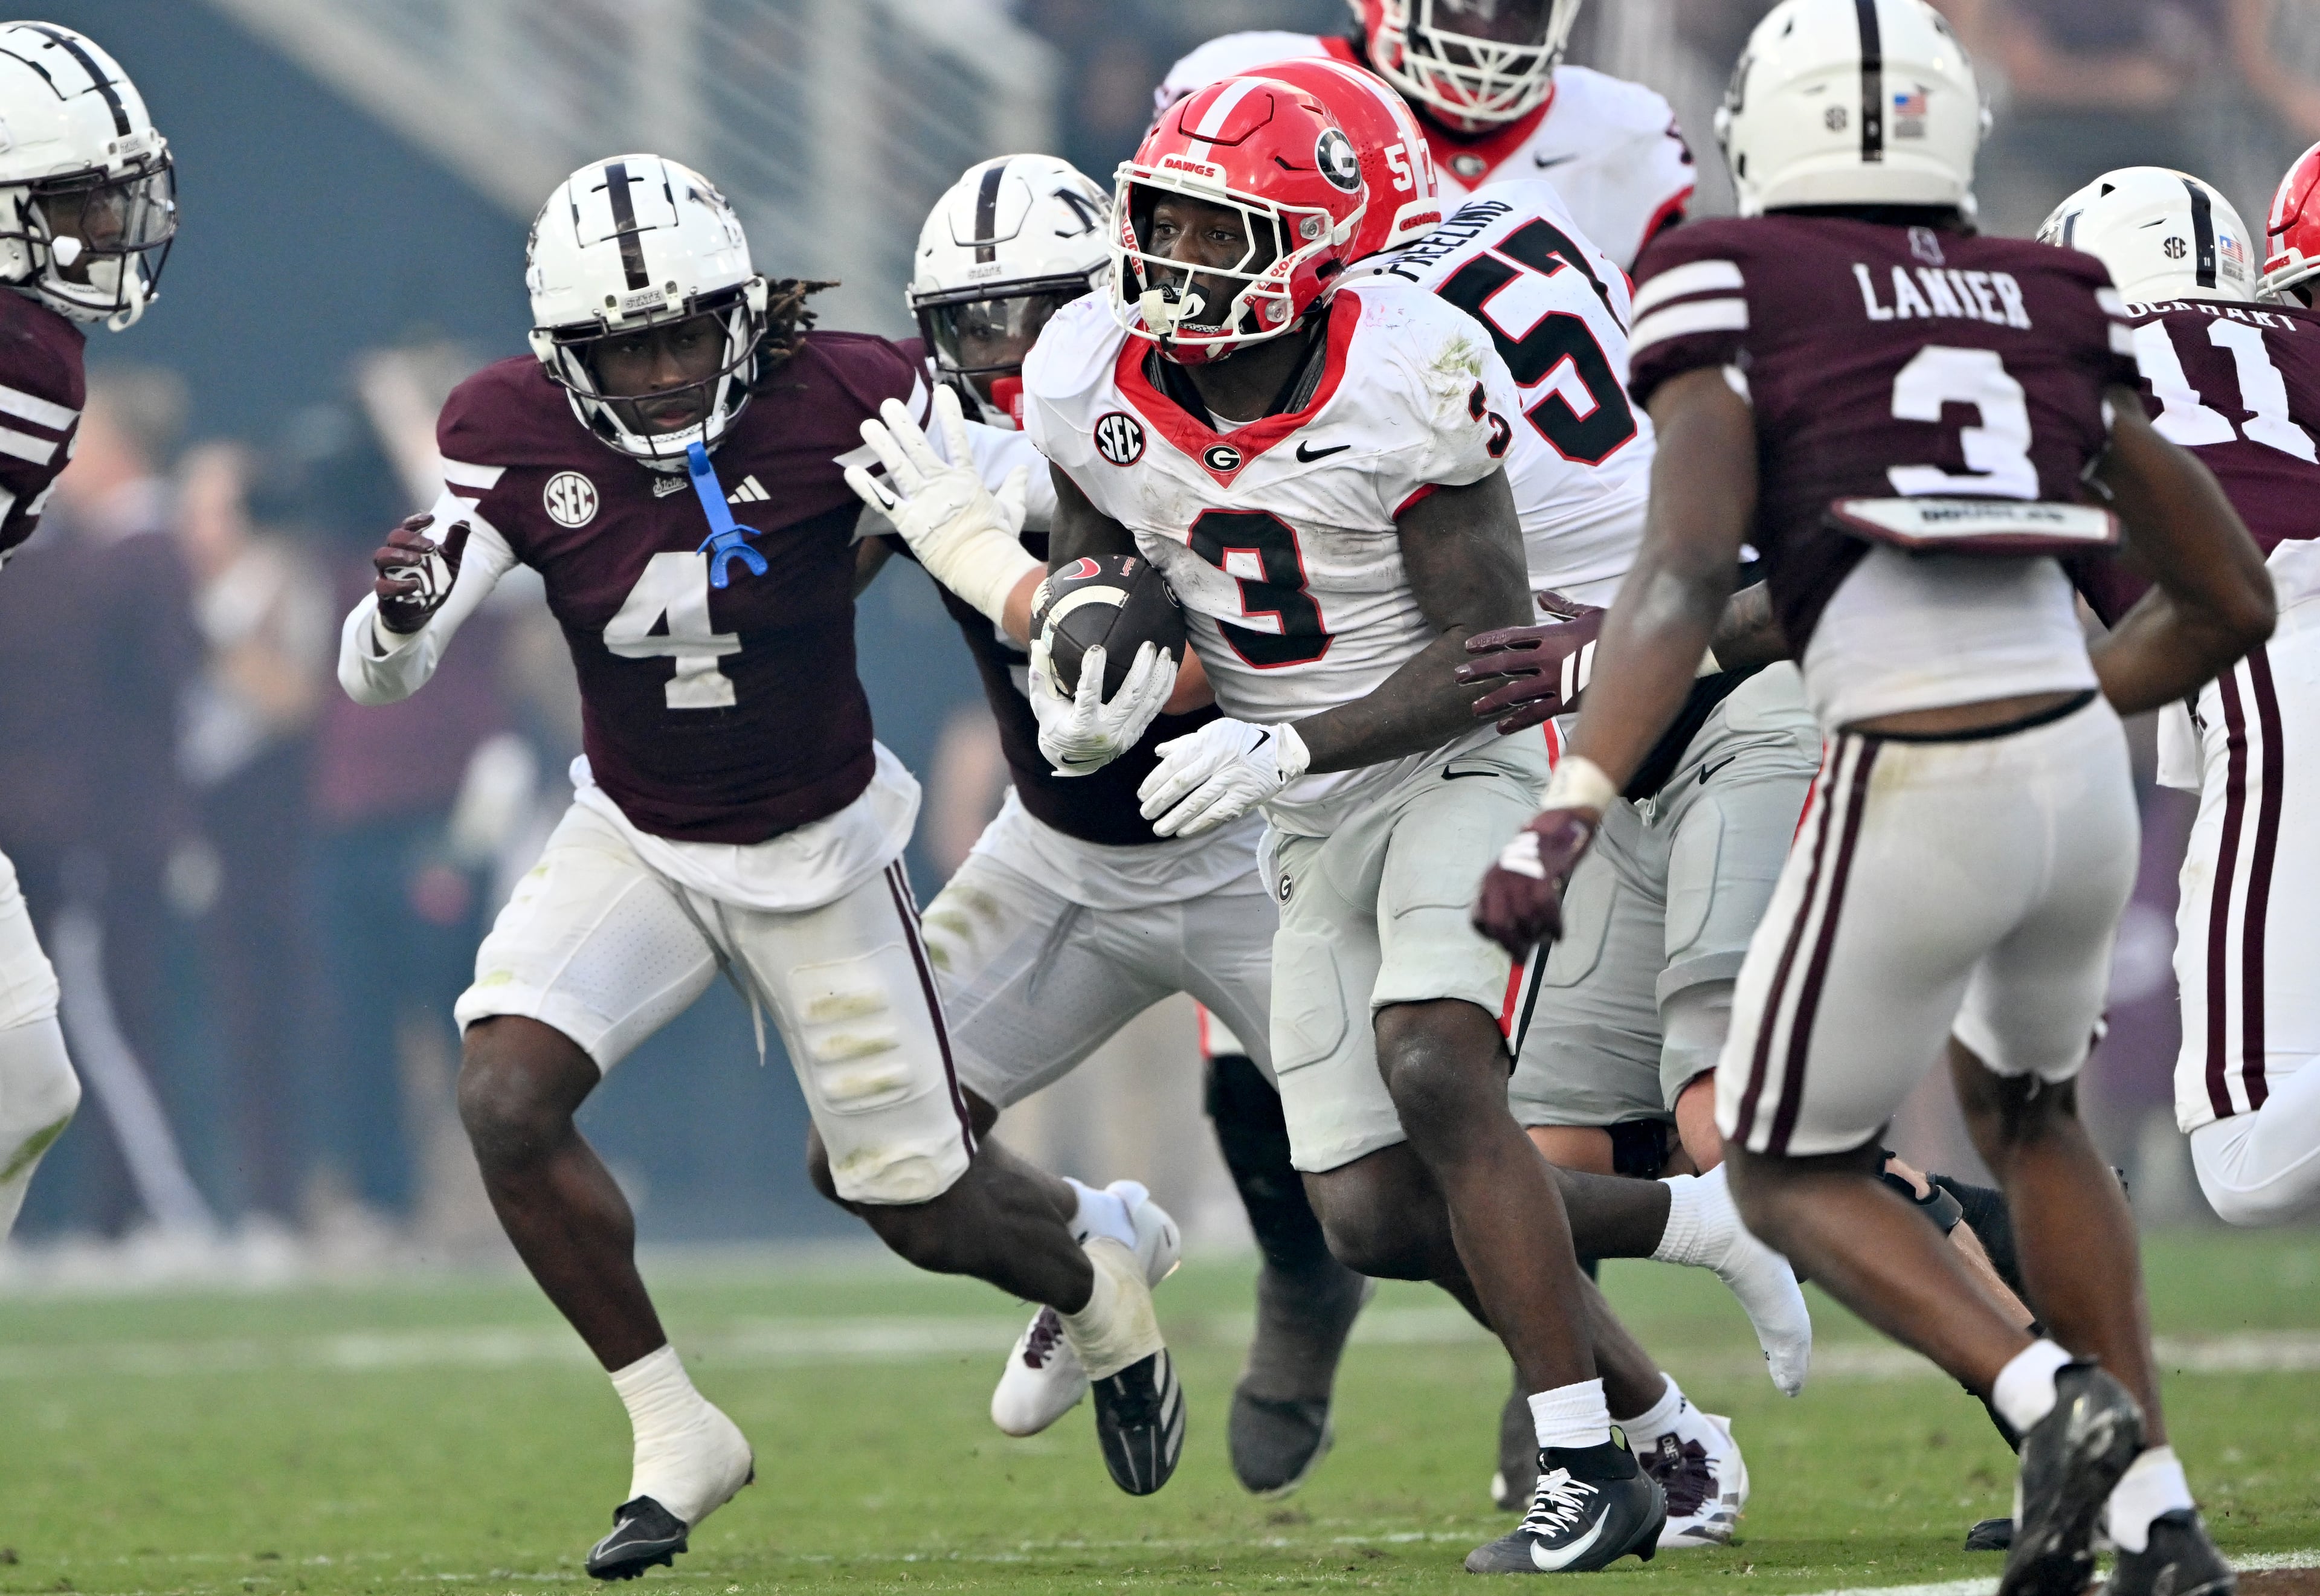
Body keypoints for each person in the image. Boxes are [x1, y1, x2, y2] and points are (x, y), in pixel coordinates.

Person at [944, 71, 1796, 1575]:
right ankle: (1667, 1387)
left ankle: (1582, 1466)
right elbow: (1097, 548)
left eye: (1213, 231)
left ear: (1305, 248)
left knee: (1435, 1059)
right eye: (1164, 220)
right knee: (1369, 1213)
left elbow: (1490, 654)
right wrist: (1086, 669)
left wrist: (1287, 739)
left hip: (1450, 763)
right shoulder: (1091, 367)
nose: (1172, 259)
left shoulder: (1404, 367)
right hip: (1303, 812)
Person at [1472, 6, 2271, 1596]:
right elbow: (2228, 596)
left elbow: (1681, 573)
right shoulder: (2048, 289)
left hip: (1916, 758)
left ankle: (2054, 1401)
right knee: (2033, 1113)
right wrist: (2068, 705)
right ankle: (2157, 1518)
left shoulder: (1729, 273)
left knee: (1778, 1161)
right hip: (2077, 783)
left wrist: (1570, 798)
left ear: (1766, 133)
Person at [335, 154, 1188, 1582]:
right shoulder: (504, 424)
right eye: (626, 347)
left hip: (818, 845)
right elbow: (386, 669)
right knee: (503, 1096)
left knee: (916, 1203)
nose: (664, 372)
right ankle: (675, 1428)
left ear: (742, 310)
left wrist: (1081, 576)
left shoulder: (844, 394)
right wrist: (395, 616)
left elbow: (1019, 508)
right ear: (563, 352)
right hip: (638, 834)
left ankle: (1097, 1271)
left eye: (686, 332)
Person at [856, 150, 1371, 1499]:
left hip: (1243, 841)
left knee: (1413, 1189)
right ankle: (1098, 1245)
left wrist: (981, 549)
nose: (1006, 353)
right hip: (1057, 855)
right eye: (973, 324)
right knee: (879, 1145)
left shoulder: (1181, 406)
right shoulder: (934, 431)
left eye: (1034, 315)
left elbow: (1160, 655)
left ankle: (1632, 1412)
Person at [2045, 160, 2320, 1229]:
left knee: (2244, 1158)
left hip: (2282, 644)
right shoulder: (2300, 344)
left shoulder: (2061, 368)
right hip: (2276, 647)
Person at [0, 21, 176, 1238]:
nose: (108, 229)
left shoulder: (33, 347)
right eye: (74, 203)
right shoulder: (28, 355)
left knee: (31, 1082)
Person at [1154, 0, 1693, 270]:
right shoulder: (1258, 86)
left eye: (1514, 11)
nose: (1485, 37)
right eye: (1462, 8)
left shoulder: (1624, 132)